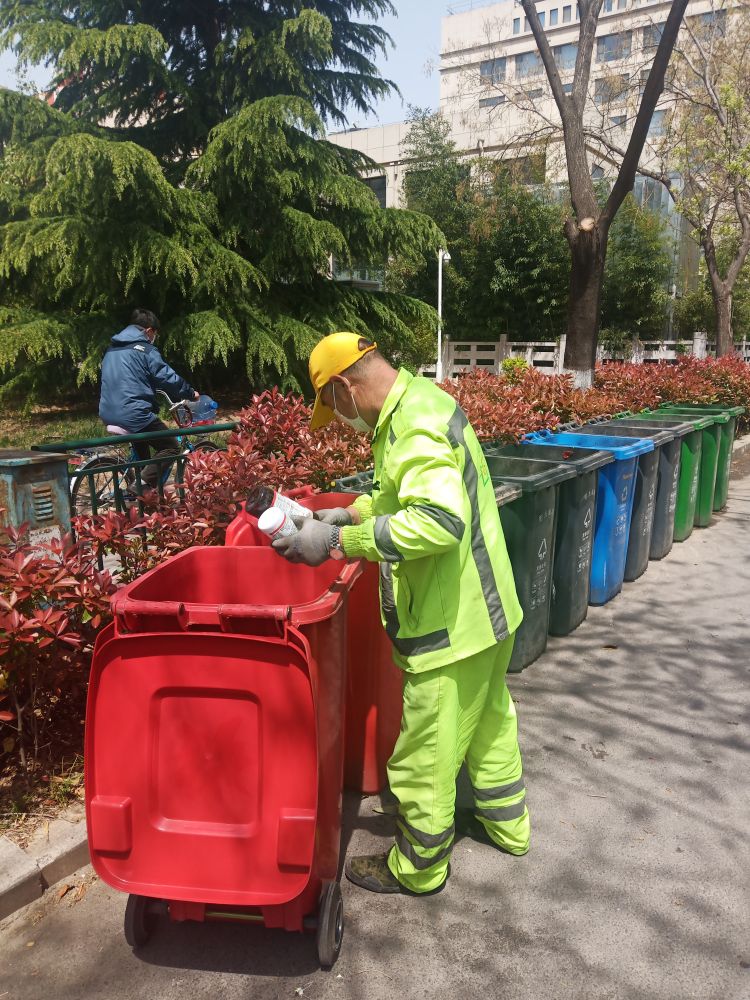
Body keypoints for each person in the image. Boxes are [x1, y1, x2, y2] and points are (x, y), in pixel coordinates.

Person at [273, 331, 530, 897]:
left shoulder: (411, 423)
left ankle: (417, 867)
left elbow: (439, 522)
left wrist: (342, 544)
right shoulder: (421, 403)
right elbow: (404, 496)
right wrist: (347, 513)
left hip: (451, 623)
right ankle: (509, 826)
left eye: (332, 408)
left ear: (343, 386)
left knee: (424, 755)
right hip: (488, 611)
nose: (340, 420)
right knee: (488, 725)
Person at [99, 308, 199, 491]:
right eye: (155, 333)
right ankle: (140, 486)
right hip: (133, 412)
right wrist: (190, 393)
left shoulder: (111, 349)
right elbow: (166, 377)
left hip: (108, 411)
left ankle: (144, 500)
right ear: (149, 330)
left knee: (144, 460)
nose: (154, 337)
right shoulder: (145, 349)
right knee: (171, 447)